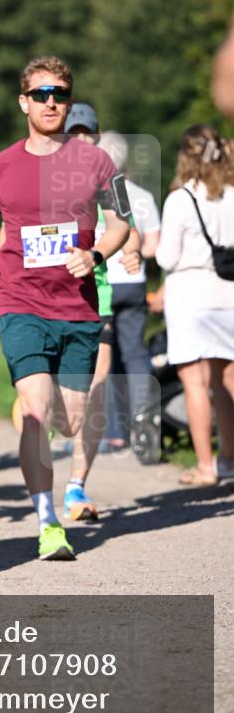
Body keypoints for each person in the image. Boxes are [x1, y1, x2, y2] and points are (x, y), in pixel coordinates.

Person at [0, 58, 130, 561]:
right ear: (24, 102)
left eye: (58, 92)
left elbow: (122, 220)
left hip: (78, 309)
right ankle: (47, 520)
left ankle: (44, 428)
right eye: (40, 93)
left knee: (72, 420)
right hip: (20, 302)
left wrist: (96, 253)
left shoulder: (99, 163)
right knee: (36, 414)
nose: (50, 101)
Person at [61, 105, 141, 520]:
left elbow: (127, 225)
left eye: (86, 132)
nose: (80, 139)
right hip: (46, 299)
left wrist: (133, 251)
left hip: (98, 297)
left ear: (97, 135)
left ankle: (76, 486)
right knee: (61, 401)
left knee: (96, 387)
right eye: (72, 132)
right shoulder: (43, 174)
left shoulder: (114, 178)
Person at [155, 125, 234, 484]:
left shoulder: (180, 199)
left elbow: (167, 257)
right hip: (228, 292)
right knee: (226, 381)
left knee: (195, 383)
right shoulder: (232, 195)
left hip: (190, 295)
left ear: (185, 155)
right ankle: (229, 460)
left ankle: (206, 466)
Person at [98, 131, 161, 445]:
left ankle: (115, 432)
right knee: (135, 354)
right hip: (133, 282)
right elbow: (153, 247)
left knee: (106, 357)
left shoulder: (96, 193)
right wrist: (134, 252)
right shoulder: (141, 196)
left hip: (103, 283)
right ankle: (144, 422)